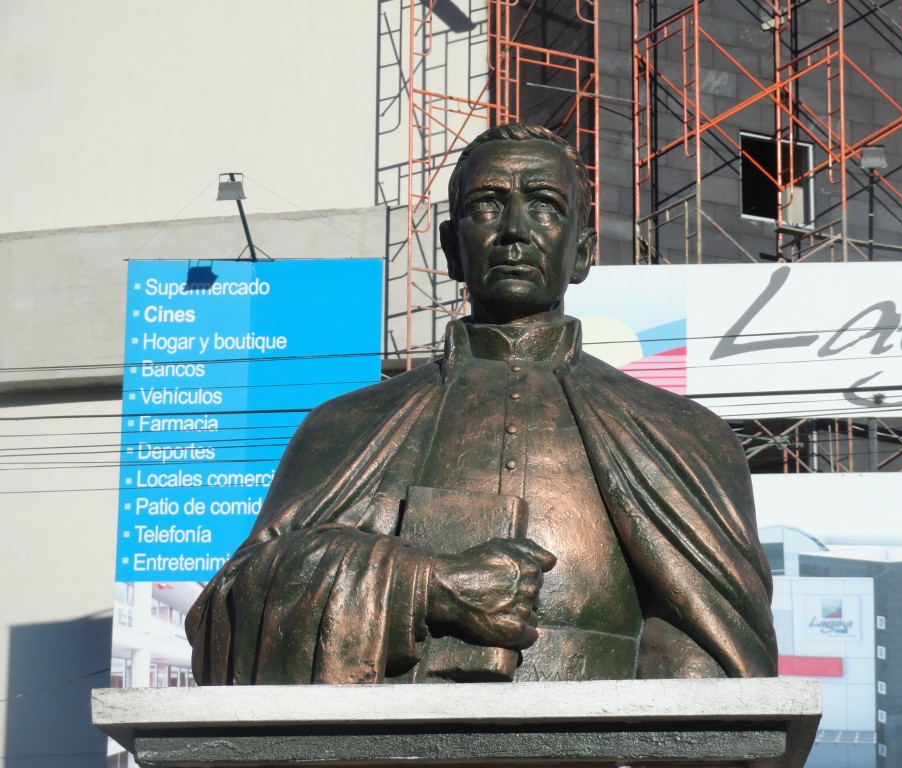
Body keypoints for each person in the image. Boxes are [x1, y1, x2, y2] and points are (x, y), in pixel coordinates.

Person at [186, 123, 777, 685]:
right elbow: (229, 609)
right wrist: (422, 585)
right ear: (452, 248)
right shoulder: (345, 424)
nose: (515, 230)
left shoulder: (683, 433)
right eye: (487, 205)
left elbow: (718, 663)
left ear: (582, 251)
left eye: (545, 206)